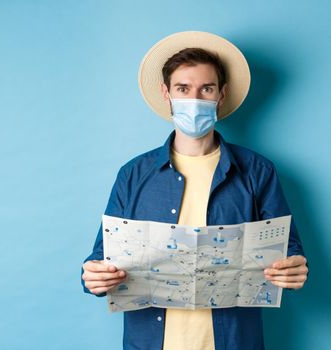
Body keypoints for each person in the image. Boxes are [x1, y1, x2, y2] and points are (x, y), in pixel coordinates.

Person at [81, 31, 309, 350]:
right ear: (167, 93)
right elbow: (101, 256)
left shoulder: (258, 171)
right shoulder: (133, 174)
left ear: (221, 94)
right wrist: (93, 277)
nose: (195, 100)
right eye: (183, 89)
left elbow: (288, 248)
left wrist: (294, 267)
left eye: (206, 89)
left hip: (233, 341)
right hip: (150, 341)